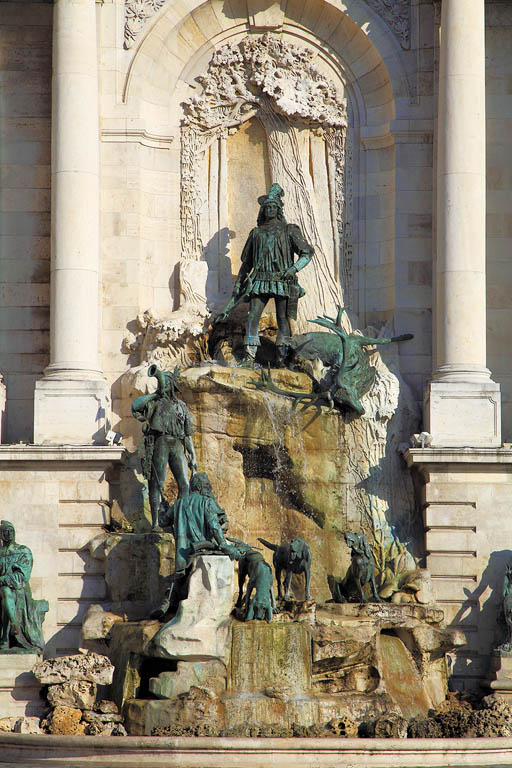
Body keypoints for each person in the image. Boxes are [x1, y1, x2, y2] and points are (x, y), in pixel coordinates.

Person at [230, 183, 314, 363]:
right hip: (259, 280)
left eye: (273, 207)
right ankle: (249, 356)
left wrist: (293, 269)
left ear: (278, 210)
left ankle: (281, 358)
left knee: (283, 320)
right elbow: (247, 263)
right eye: (266, 207)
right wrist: (238, 283)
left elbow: (307, 253)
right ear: (262, 210)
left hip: (282, 281)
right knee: (252, 317)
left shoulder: (289, 230)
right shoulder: (256, 233)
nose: (269, 209)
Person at [151, 473, 241, 619]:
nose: (208, 488)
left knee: (181, 577)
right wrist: (224, 545)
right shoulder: (207, 502)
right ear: (199, 486)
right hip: (202, 549)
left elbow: (162, 522)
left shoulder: (179, 504)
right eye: (206, 485)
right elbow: (214, 526)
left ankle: (170, 602)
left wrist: (163, 508)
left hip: (183, 554)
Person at [131, 365, 197, 532]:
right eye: (162, 383)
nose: (163, 385)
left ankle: (180, 520)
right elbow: (135, 406)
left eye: (166, 382)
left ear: (172, 385)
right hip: (160, 443)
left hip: (176, 444)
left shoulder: (181, 406)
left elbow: (187, 435)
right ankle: (155, 524)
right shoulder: (154, 403)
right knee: (156, 482)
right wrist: (155, 394)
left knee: (185, 484)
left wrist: (193, 456)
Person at [0, 520, 48, 652]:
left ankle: (6, 636)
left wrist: (3, 579)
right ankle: (10, 629)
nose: (8, 534)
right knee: (5, 592)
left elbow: (21, 577)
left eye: (10, 531)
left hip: (18, 590)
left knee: (6, 592)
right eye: (5, 531)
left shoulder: (23, 551)